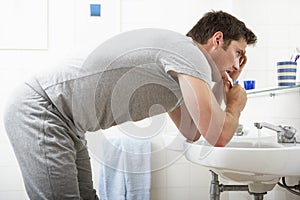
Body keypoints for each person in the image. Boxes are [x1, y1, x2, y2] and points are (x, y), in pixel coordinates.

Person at [3, 10, 257, 199]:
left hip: (66, 123)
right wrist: (235, 104)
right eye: (238, 53)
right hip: (45, 108)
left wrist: (225, 87)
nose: (238, 64)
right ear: (217, 39)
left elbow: (193, 131)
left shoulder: (181, 68)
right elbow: (218, 136)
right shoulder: (189, 53)